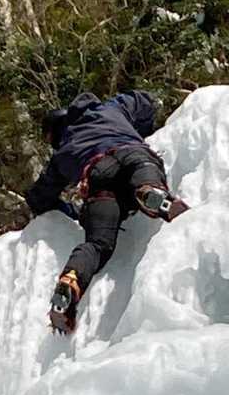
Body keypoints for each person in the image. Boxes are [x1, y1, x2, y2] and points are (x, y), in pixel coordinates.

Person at [25, 90, 189, 332]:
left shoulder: (63, 153)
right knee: (143, 170)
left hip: (97, 178)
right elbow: (144, 100)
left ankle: (70, 281)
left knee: (97, 244)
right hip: (131, 153)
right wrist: (142, 130)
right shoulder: (111, 108)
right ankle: (153, 194)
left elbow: (39, 198)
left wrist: (70, 211)